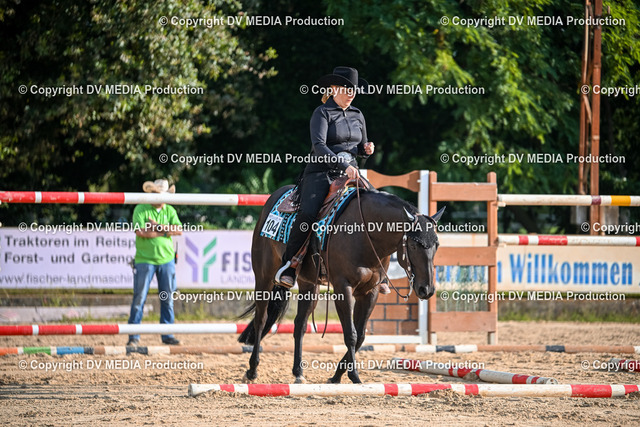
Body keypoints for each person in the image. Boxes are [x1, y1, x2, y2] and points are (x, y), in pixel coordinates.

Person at [275, 66, 390, 294]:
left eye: (354, 90)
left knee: (379, 206)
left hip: (351, 173)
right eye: (347, 89)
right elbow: (319, 146)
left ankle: (380, 271)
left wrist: (366, 150)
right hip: (321, 173)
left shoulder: (358, 114)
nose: (351, 93)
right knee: (308, 213)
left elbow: (359, 148)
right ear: (334, 88)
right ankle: (289, 265)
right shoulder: (322, 113)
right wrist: (344, 165)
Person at [127, 179, 183, 346]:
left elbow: (178, 230)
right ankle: (134, 336)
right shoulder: (141, 208)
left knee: (167, 298)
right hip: (145, 259)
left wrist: (157, 227)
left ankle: (167, 334)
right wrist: (166, 230)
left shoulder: (169, 210)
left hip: (166, 259)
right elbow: (141, 232)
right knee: (140, 298)